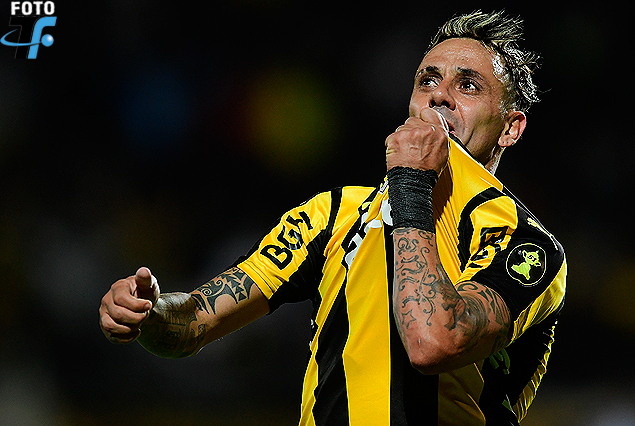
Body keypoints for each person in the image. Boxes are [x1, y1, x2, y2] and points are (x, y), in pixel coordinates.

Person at [99, 10, 566, 426]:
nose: (439, 97)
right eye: (427, 80)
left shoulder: (527, 245)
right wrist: (149, 314)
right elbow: (192, 323)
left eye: (467, 85)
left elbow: (433, 343)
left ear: (510, 127)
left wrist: (410, 182)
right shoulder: (332, 213)